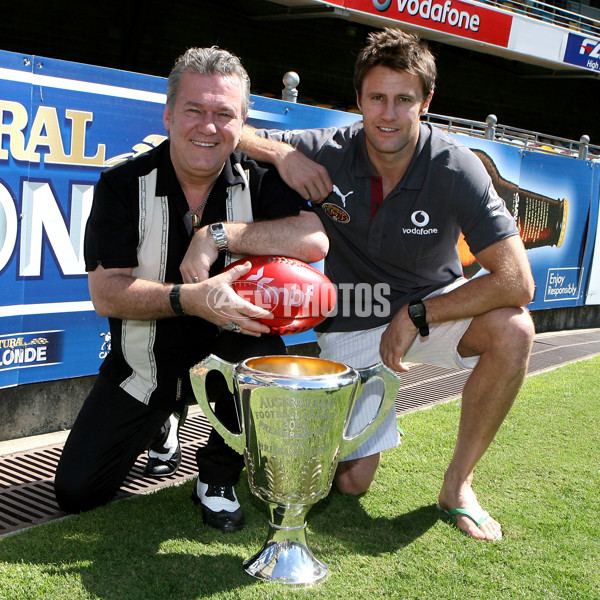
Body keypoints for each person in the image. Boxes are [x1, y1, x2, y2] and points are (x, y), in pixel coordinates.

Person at [240, 28, 535, 541]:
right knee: (353, 482)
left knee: (515, 330)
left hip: (431, 315)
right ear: (358, 100)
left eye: (404, 99)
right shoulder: (325, 150)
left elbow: (516, 279)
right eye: (377, 98)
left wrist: (416, 315)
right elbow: (232, 132)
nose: (389, 114)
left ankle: (457, 486)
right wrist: (280, 154)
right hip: (352, 318)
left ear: (427, 102)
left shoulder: (457, 166)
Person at [53, 47, 328, 534]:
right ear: (168, 114)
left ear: (242, 122)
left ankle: (218, 476)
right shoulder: (122, 184)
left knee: (262, 348)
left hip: (229, 350)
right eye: (194, 110)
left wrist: (218, 235)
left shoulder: (257, 177)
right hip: (146, 362)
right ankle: (165, 419)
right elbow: (107, 295)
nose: (208, 126)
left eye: (224, 114)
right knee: (77, 492)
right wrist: (189, 299)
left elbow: (313, 239)